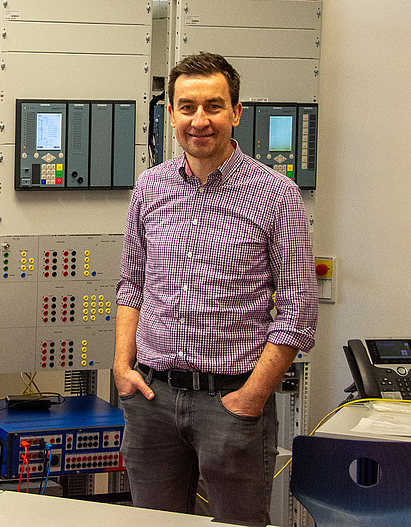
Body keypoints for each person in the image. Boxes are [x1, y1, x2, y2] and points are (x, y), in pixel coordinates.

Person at [114, 52, 317, 526]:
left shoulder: (276, 194)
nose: (199, 120)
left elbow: (298, 312)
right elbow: (132, 284)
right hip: (152, 398)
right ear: (171, 115)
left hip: (231, 401)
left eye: (214, 106)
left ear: (236, 112)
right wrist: (122, 367)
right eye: (187, 107)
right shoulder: (150, 187)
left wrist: (251, 398)